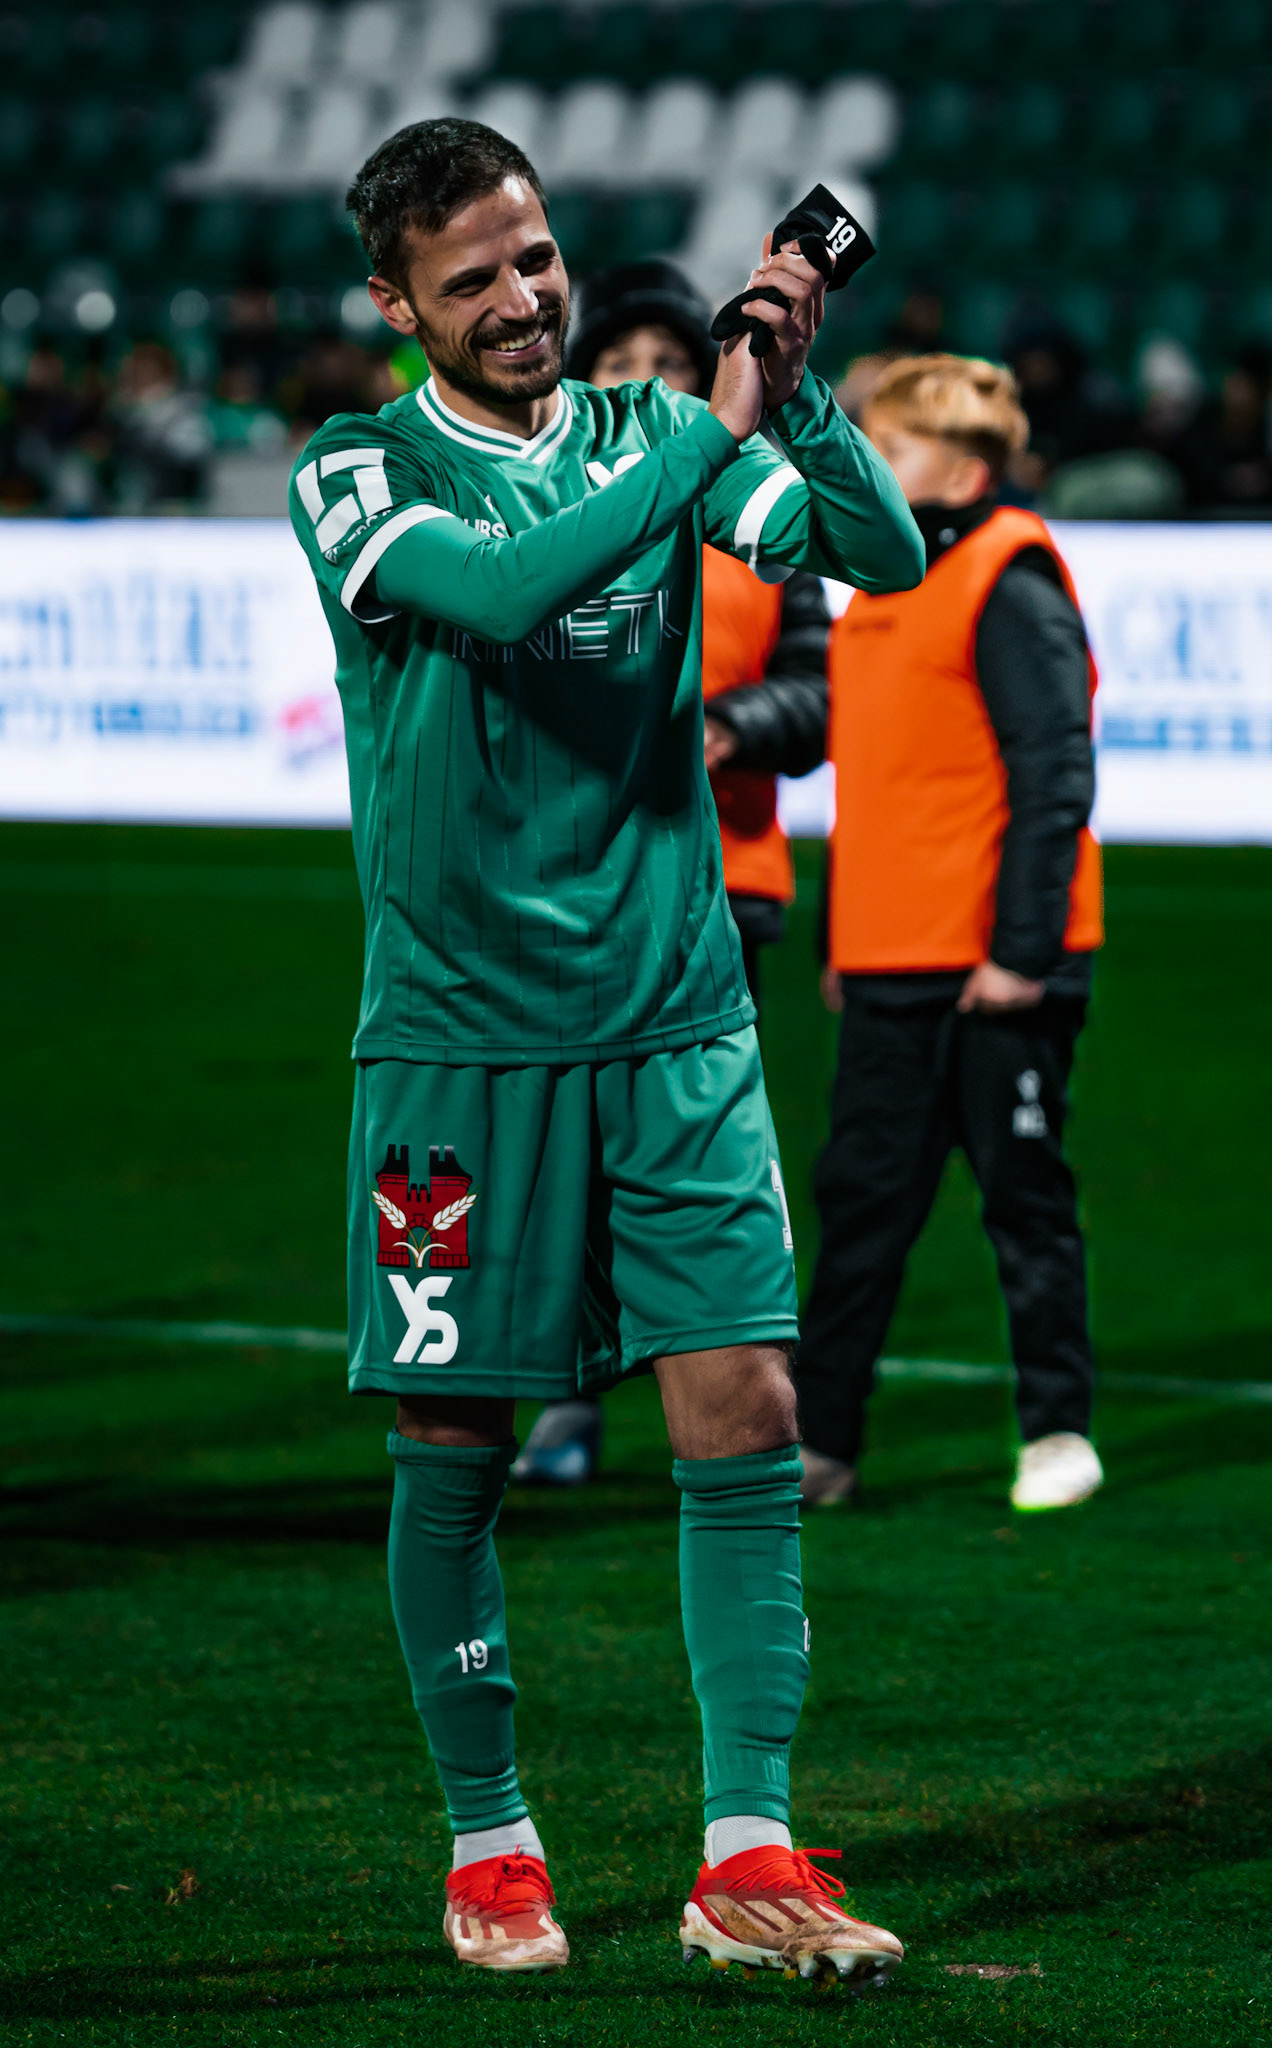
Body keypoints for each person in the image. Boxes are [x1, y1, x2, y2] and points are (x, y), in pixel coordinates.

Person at [288, 119, 922, 1983]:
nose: (522, 297)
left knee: (748, 1411)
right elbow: (493, 599)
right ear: (396, 303)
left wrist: (792, 403)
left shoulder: (654, 436)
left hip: (672, 1027)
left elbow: (876, 554)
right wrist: (714, 432)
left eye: (538, 257)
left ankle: (745, 1851)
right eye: (470, 276)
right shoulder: (354, 470)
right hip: (459, 1045)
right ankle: (492, 1844)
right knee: (456, 1437)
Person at [512, 260, 831, 1491]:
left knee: (690, 1170)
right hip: (562, 891)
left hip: (719, 882)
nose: (643, 382)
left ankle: (729, 1407)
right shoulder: (538, 522)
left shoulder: (757, 514)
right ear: (584, 378)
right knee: (567, 1163)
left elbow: (820, 695)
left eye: (666, 361)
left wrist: (733, 726)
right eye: (620, 363)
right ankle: (572, 1400)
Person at [793, 355, 1104, 1515]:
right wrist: (843, 937)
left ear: (964, 470)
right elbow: (873, 781)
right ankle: (821, 1443)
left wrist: (1022, 949)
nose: (868, 467)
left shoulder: (1007, 574)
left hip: (996, 967)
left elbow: (1052, 772)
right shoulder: (878, 581)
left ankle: (1057, 1427)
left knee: (1024, 1202)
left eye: (893, 451)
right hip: (889, 957)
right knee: (861, 1206)